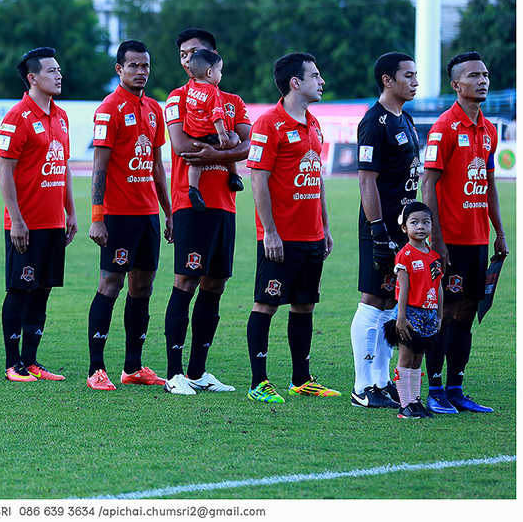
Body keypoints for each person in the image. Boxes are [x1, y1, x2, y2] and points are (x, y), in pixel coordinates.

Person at [244, 52, 339, 403]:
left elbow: (316, 178)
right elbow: (258, 179)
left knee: (304, 305)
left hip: (312, 235)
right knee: (265, 304)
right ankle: (258, 383)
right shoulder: (268, 123)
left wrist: (325, 226)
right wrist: (269, 231)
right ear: (295, 83)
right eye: (315, 76)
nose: (322, 81)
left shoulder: (313, 123)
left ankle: (301, 379)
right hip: (281, 237)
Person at [421, 51, 509, 413]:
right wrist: (436, 238)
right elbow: (427, 184)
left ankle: (456, 388)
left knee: (468, 310)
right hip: (450, 240)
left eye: (485, 75)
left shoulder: (488, 130)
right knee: (445, 311)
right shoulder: (443, 127)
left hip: (477, 239)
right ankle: (434, 390)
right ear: (456, 85)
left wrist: (499, 232)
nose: (482, 81)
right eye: (473, 76)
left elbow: (489, 184)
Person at [162, 28, 249, 395]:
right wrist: (220, 149)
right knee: (185, 282)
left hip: (224, 204)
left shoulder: (233, 100)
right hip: (190, 202)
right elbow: (181, 145)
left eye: (193, 52)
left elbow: (247, 145)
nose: (186, 59)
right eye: (182, 54)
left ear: (213, 58)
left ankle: (198, 371)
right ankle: (174, 374)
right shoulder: (176, 97)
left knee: (215, 285)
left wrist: (216, 153)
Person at [86, 41, 172, 391]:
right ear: (119, 69)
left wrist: (169, 212)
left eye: (145, 65)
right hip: (118, 214)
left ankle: (133, 368)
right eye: (133, 65)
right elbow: (99, 167)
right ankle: (96, 369)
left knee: (143, 287)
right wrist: (97, 216)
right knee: (111, 283)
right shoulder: (109, 109)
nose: (141, 71)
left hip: (148, 214)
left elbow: (156, 166)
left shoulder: (153, 108)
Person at [0, 47, 78, 382]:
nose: (59, 76)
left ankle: (31, 361)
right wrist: (16, 220)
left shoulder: (61, 116)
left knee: (42, 290)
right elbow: (4, 170)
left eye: (59, 70)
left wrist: (71, 211)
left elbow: (64, 166)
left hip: (53, 221)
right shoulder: (17, 116)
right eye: (51, 71)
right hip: (26, 224)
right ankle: (12, 364)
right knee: (20, 289)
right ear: (32, 78)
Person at [349, 52, 419, 409]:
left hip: (404, 228)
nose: (415, 82)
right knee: (374, 300)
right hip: (381, 227)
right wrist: (378, 230)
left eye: (416, 75)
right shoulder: (373, 121)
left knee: (392, 301)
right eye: (408, 75)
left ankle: (380, 380)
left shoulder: (406, 119)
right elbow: (366, 181)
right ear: (387, 80)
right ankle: (362, 387)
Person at [383, 202, 443, 419]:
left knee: (418, 360)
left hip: (429, 314)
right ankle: (405, 405)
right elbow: (403, 289)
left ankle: (415, 402)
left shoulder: (434, 257)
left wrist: (439, 315)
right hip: (409, 314)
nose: (420, 227)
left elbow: (438, 287)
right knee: (406, 358)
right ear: (404, 228)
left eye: (426, 222)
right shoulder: (405, 255)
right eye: (414, 222)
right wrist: (400, 317)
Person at [182, 49, 242, 211]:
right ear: (209, 72)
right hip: (210, 132)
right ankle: (234, 176)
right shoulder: (212, 91)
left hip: (194, 133)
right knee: (231, 142)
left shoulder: (192, 88)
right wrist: (223, 134)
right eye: (219, 70)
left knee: (196, 163)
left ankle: (193, 188)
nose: (221, 75)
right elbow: (217, 114)